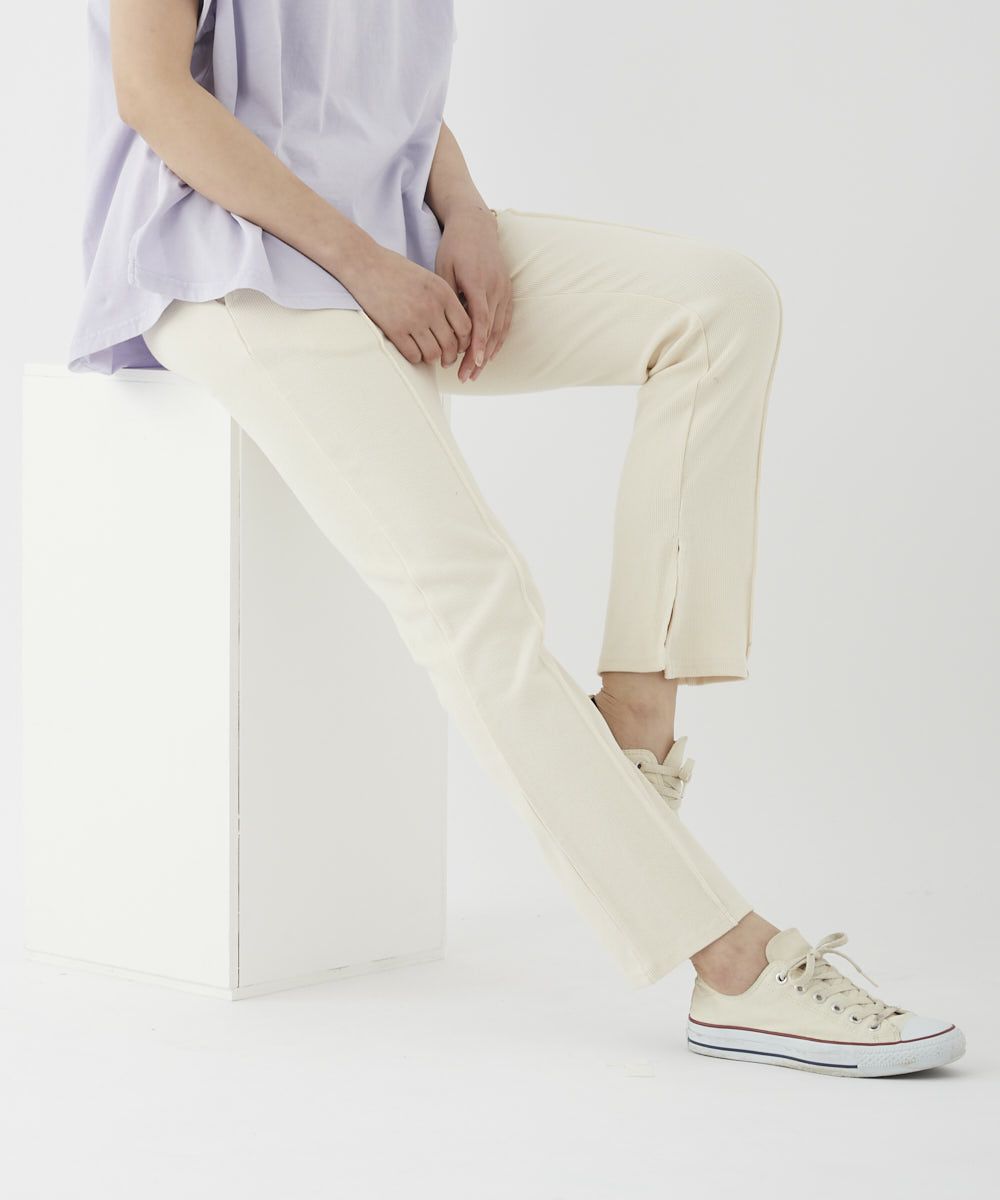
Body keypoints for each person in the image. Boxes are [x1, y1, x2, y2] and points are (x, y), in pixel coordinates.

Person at [67, 0, 964, 1078]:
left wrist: (467, 214)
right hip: (227, 260)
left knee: (718, 305)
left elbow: (366, 84)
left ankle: (633, 730)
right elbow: (153, 92)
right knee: (474, 594)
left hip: (394, 232)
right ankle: (731, 968)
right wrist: (365, 267)